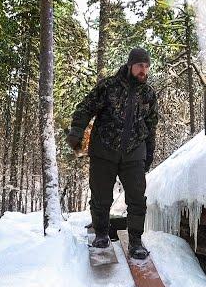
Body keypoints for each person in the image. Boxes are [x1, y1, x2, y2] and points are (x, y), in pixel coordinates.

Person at [67, 47, 158, 259]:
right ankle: (101, 234)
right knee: (101, 197)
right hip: (104, 150)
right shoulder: (109, 86)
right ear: (130, 65)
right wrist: (77, 131)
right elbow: (85, 107)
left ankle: (135, 241)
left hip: (134, 152)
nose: (143, 70)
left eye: (146, 66)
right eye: (139, 66)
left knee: (137, 199)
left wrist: (149, 153)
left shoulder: (149, 94)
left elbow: (151, 125)